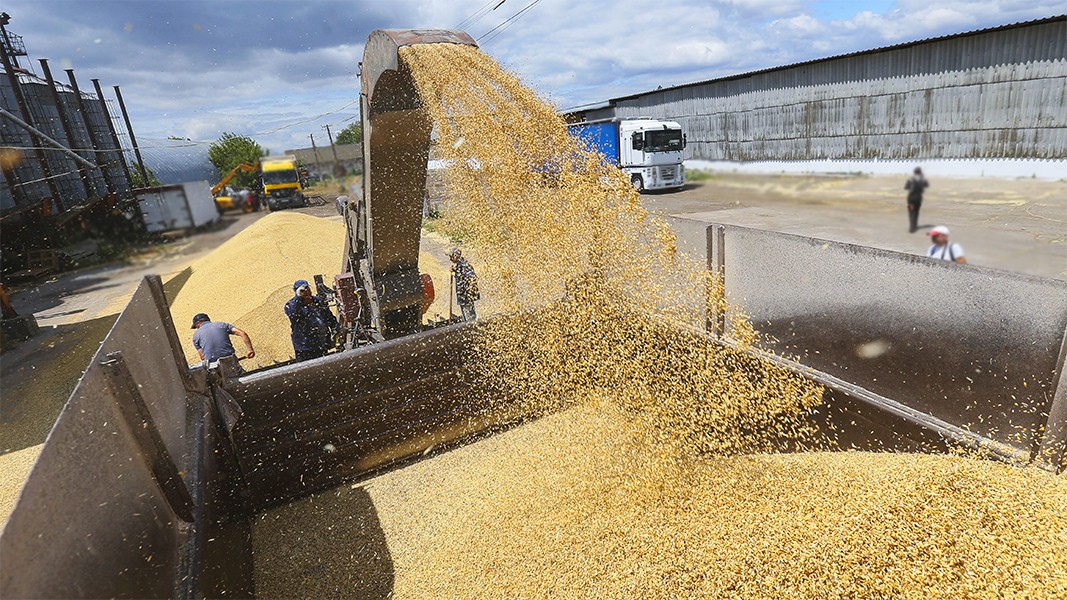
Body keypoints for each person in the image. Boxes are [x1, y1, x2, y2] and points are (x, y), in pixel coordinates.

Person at [285, 279, 339, 361]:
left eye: (307, 289)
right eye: (303, 291)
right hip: (305, 348)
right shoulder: (293, 305)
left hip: (321, 344)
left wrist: (336, 329)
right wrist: (298, 297)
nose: (306, 292)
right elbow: (292, 313)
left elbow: (329, 317)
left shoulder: (318, 301)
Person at [191, 313, 255, 370]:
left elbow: (202, 357)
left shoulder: (196, 336)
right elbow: (242, 333)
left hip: (213, 366)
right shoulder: (222, 325)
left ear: (198, 323)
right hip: (230, 359)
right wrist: (250, 350)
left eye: (196, 326)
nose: (197, 328)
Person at [448, 248, 480, 322]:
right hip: (462, 296)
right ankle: (468, 327)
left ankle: (472, 329)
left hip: (466, 296)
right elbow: (461, 276)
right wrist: (454, 271)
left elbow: (472, 278)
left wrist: (469, 291)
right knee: (465, 316)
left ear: (455, 256)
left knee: (470, 318)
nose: (450, 259)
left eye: (451, 257)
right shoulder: (459, 266)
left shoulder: (465, 266)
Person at [905, 166, 929, 233]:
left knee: (911, 212)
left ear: (914, 172)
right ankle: (914, 226)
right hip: (918, 198)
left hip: (910, 198)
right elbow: (927, 185)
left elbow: (906, 187)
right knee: (916, 212)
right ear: (920, 172)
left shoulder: (910, 179)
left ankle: (911, 228)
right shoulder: (923, 179)